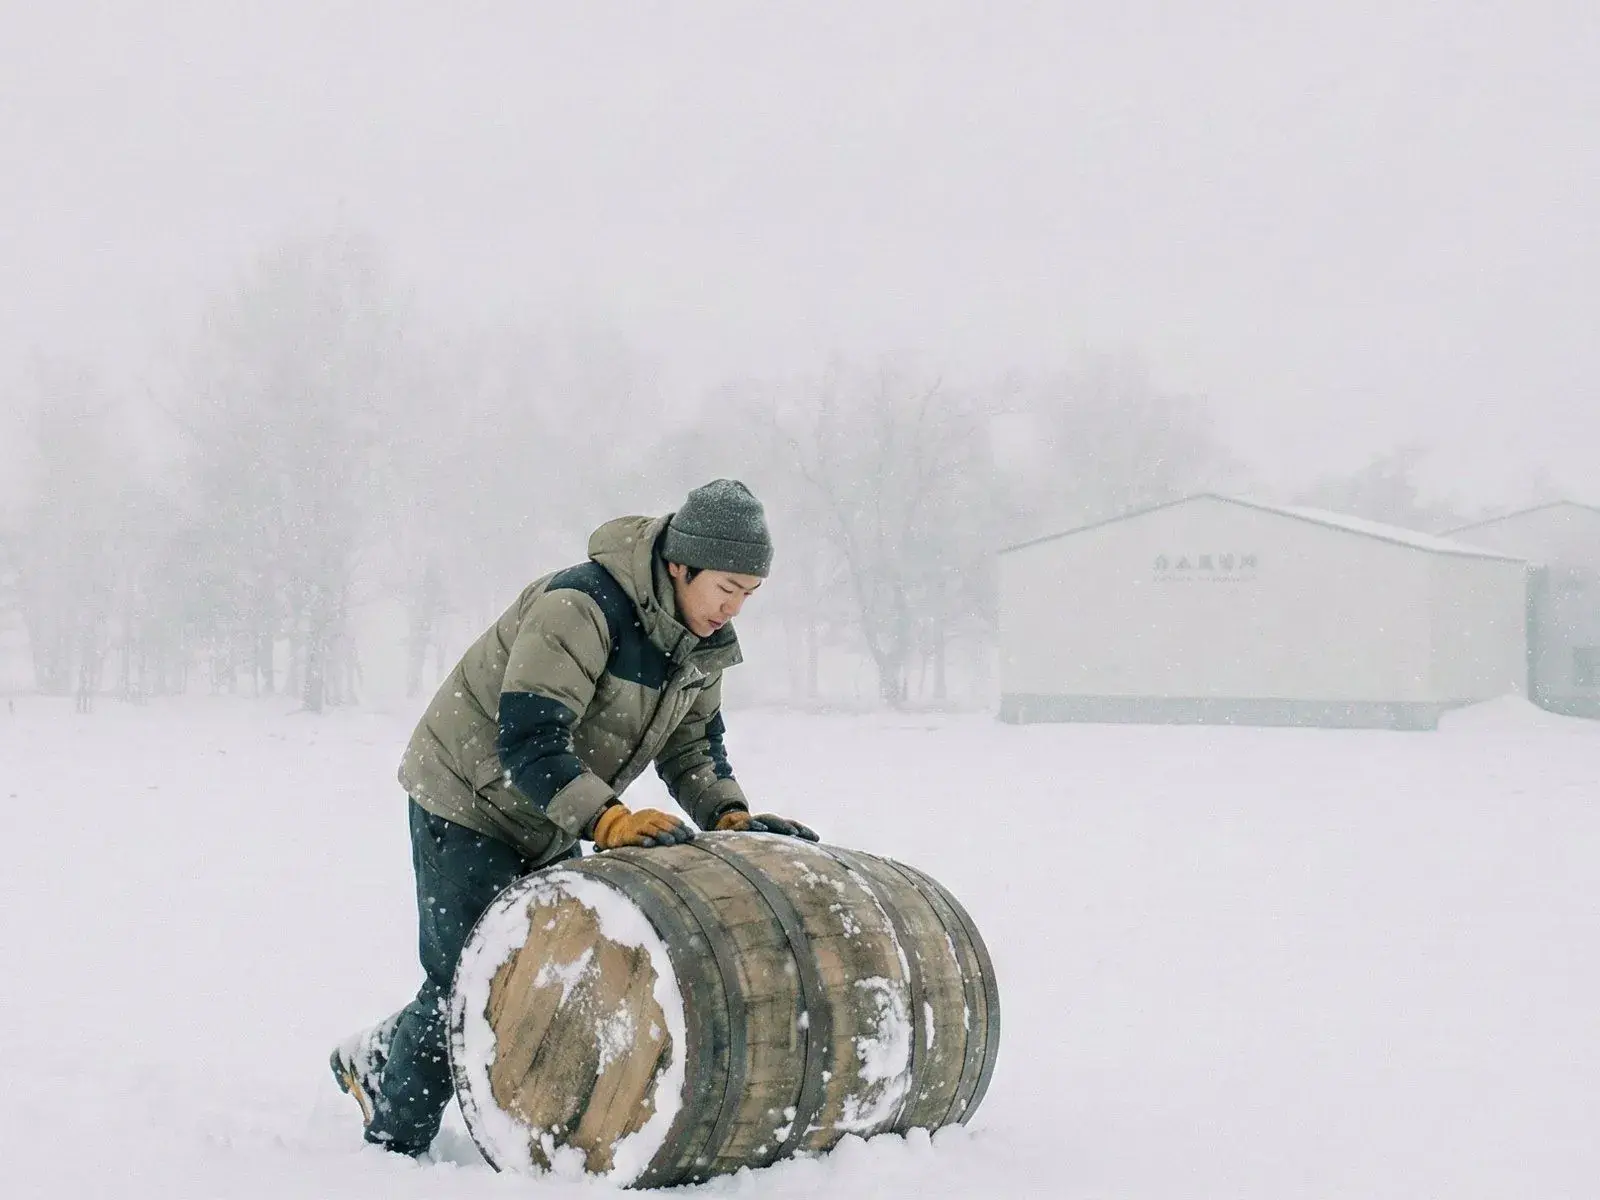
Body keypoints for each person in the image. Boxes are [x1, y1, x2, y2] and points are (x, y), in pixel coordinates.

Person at [329, 479, 817, 1157]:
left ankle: (383, 1053)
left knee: (552, 965)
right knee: (472, 977)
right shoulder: (582, 607)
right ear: (681, 564)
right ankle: (392, 1137)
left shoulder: (699, 645)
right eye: (726, 587)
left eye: (748, 595)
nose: (733, 608)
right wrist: (609, 820)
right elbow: (529, 738)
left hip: (555, 808)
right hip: (468, 793)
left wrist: (728, 814)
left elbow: (693, 746)